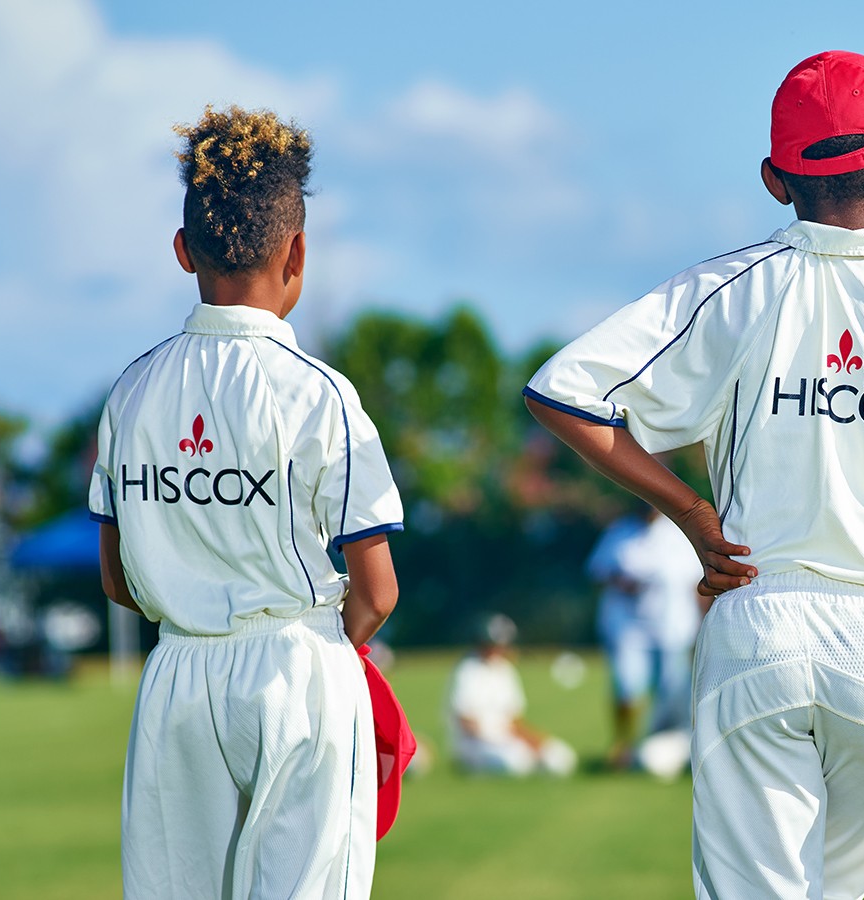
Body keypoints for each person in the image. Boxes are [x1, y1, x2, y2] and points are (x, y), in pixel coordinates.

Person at [523, 50, 864, 898]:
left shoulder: (735, 287)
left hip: (757, 632)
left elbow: (562, 391)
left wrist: (688, 512)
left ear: (774, 181)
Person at [90, 106, 402, 899]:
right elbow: (377, 591)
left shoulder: (130, 390)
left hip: (176, 676)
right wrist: (336, 652)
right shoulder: (321, 393)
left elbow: (119, 581)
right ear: (298, 252)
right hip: (297, 667)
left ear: (182, 251)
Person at [587, 505, 705, 767]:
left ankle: (665, 749)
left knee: (672, 693)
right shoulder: (620, 531)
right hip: (630, 628)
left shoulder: (678, 534)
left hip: (673, 627)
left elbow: (697, 583)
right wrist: (622, 582)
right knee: (627, 687)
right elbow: (597, 572)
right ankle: (623, 746)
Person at [447, 614, 577, 777]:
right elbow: (466, 722)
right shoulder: (467, 671)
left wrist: (534, 742)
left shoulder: (506, 670)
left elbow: (514, 719)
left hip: (506, 740)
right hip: (475, 744)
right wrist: (497, 739)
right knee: (513, 763)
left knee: (560, 758)